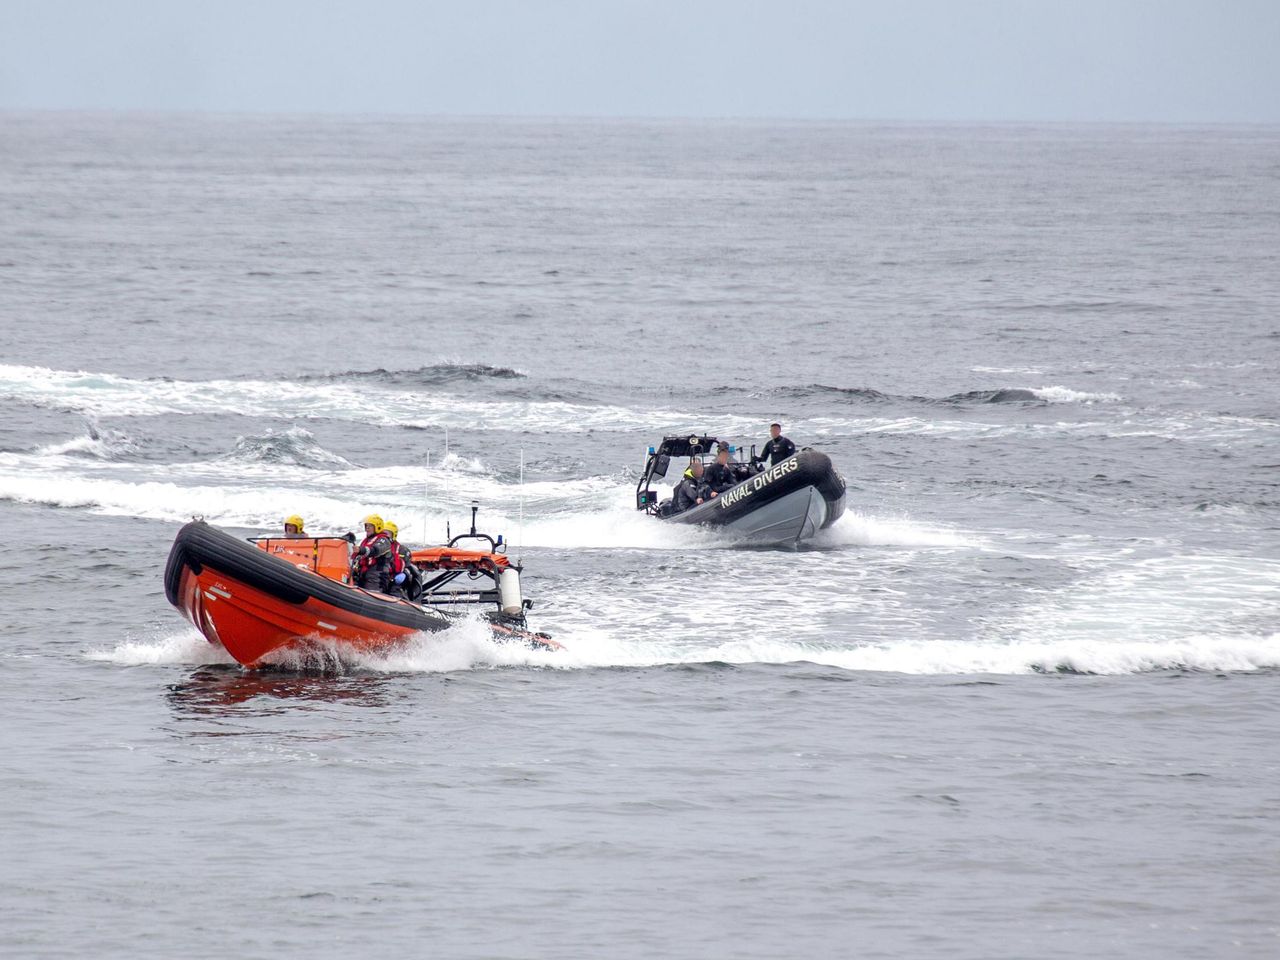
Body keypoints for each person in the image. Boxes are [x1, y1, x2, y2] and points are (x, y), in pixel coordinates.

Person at [352, 514, 396, 593]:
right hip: (363, 574)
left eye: (370, 526)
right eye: (366, 526)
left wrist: (361, 550)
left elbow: (375, 550)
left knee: (369, 594)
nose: (367, 528)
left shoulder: (384, 540)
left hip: (377, 577)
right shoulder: (366, 541)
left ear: (377, 527)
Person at [381, 520, 411, 596]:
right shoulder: (377, 547)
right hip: (379, 578)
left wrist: (404, 574)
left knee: (395, 592)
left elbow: (407, 567)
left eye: (387, 533)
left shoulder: (402, 550)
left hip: (394, 580)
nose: (385, 536)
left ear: (393, 535)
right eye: (382, 533)